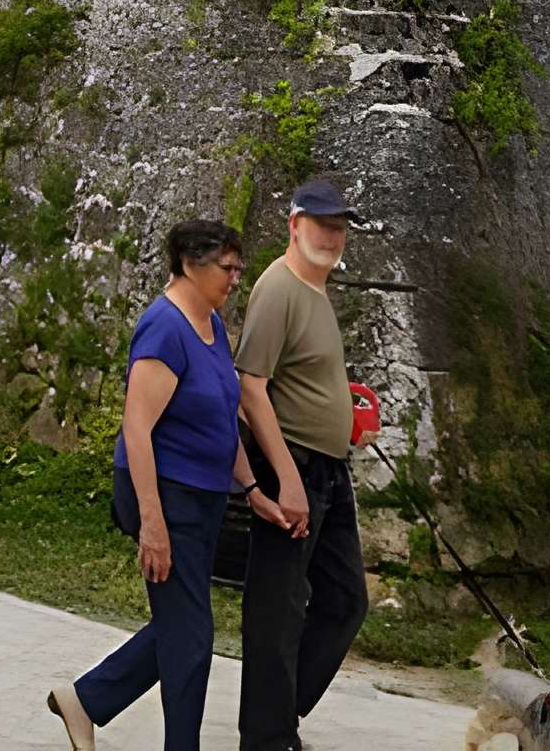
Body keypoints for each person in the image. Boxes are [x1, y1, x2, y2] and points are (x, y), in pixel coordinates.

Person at [48, 219, 288, 751]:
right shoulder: (165, 327)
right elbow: (137, 428)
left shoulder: (212, 325)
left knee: (182, 626)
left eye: (237, 267)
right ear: (188, 263)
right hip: (163, 494)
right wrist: (152, 523)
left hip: (202, 500)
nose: (235, 277)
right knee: (192, 639)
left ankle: (86, 700)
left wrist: (252, 490)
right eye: (227, 267)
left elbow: (223, 422)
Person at [235, 179, 369, 751]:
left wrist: (344, 416)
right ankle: (266, 737)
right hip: (291, 468)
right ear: (294, 224)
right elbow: (250, 385)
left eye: (340, 227)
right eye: (322, 224)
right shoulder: (279, 288)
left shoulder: (316, 291)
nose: (332, 237)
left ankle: (278, 717)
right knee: (278, 609)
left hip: (329, 472)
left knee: (344, 600)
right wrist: (286, 476)